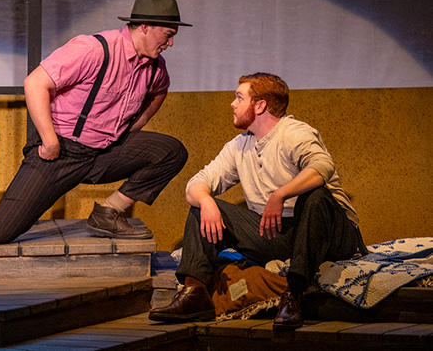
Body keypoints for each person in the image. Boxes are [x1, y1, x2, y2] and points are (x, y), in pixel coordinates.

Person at [0, 0, 189, 245]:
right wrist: (48, 141)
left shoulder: (154, 67)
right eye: (168, 35)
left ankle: (108, 212)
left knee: (171, 151)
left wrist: (131, 128)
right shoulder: (93, 49)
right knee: (1, 230)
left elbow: (158, 92)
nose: (171, 44)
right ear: (146, 27)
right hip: (61, 151)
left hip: (104, 152)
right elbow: (35, 83)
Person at [149, 73, 365, 329]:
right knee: (202, 205)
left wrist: (281, 194)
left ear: (260, 105)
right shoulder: (239, 146)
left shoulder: (293, 133)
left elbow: (322, 166)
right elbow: (197, 184)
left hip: (330, 234)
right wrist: (206, 201)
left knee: (315, 195)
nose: (232, 103)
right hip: (279, 235)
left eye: (239, 97)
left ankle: (293, 295)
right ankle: (195, 295)